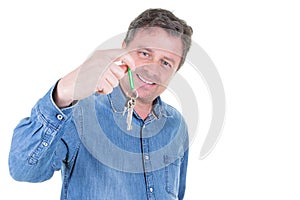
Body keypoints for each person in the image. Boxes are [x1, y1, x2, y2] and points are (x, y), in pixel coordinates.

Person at [8, 8, 193, 200]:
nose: (152, 70)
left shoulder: (176, 125)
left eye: (166, 63)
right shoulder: (80, 111)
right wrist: (64, 91)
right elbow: (23, 170)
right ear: (124, 48)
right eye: (145, 53)